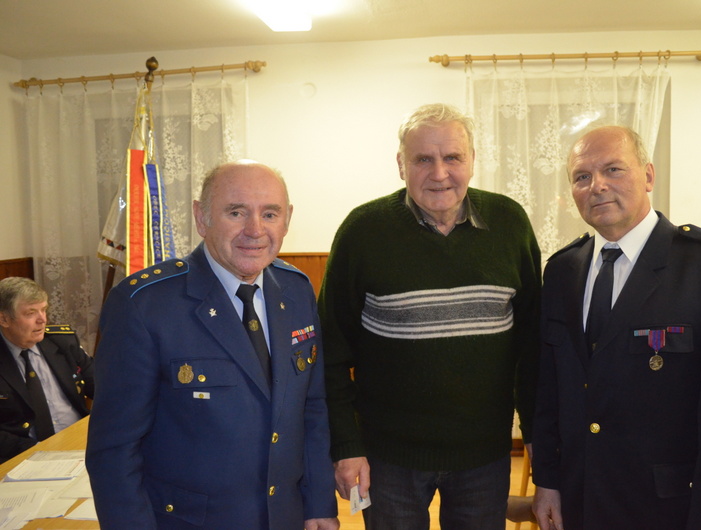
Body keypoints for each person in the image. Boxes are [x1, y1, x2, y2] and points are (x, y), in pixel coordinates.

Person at [531, 125, 701, 529]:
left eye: (613, 169)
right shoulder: (562, 270)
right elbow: (551, 391)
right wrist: (548, 481)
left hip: (670, 508)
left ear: (648, 175)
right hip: (581, 500)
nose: (597, 186)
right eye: (581, 176)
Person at [319, 103, 541, 530]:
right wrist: (346, 446)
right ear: (401, 165)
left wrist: (535, 434)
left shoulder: (509, 223)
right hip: (388, 460)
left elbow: (533, 349)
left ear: (472, 160)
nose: (439, 173)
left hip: (485, 456)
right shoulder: (362, 232)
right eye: (423, 159)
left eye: (452, 157)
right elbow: (329, 352)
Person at [86, 161, 339, 529]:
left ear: (287, 220)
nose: (255, 230)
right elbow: (114, 451)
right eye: (236, 212)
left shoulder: (296, 290)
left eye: (270, 214)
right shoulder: (145, 305)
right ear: (201, 218)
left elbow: (311, 408)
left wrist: (318, 503)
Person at [0, 276, 94, 461]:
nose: (42, 319)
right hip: (23, 456)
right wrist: (37, 452)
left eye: (44, 310)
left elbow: (105, 388)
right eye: (30, 313)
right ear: (4, 319)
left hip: (81, 443)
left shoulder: (63, 343)